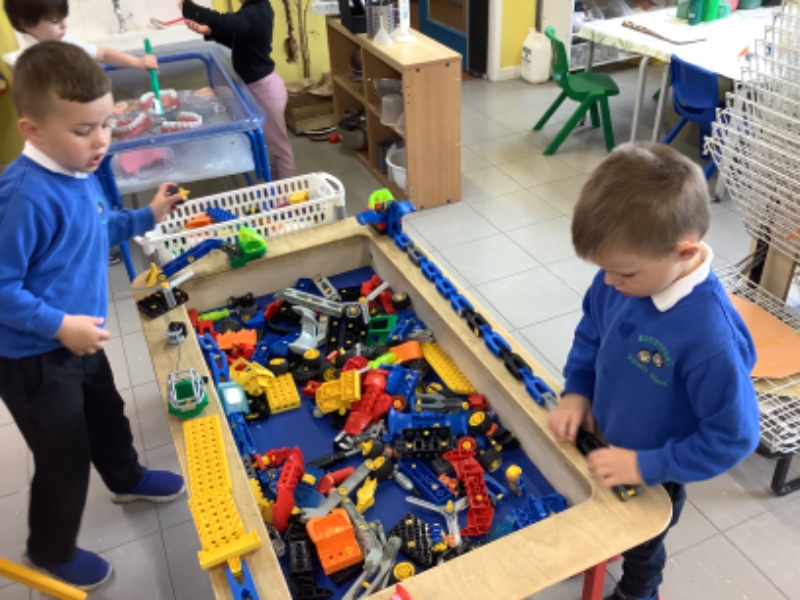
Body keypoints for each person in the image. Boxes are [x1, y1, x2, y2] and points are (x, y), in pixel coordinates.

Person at [0, 42, 186, 591]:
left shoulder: (78, 169)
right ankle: (49, 549)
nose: (101, 140)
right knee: (63, 455)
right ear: (32, 130)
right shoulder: (23, 197)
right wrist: (61, 326)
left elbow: (94, 230)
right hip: (34, 358)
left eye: (105, 124)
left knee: (107, 415)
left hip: (81, 338)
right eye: (84, 130)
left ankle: (126, 478)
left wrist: (147, 215)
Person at [547, 142, 760, 600]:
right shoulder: (624, 277)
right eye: (604, 270)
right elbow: (593, 329)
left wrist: (644, 465)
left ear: (683, 252)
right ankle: (598, 547)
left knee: (641, 548)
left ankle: (639, 593)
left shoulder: (710, 339)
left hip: (657, 469)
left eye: (623, 274)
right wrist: (578, 391)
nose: (609, 282)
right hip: (606, 434)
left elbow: (732, 437)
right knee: (601, 515)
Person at [179, 0, 297, 180]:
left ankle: (288, 193)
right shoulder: (252, 10)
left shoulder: (258, 10)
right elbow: (237, 40)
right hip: (259, 88)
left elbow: (224, 21)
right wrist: (210, 32)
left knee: (280, 149)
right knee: (272, 146)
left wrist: (190, 8)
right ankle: (276, 187)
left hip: (265, 90)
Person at [3, 0, 158, 71]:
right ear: (27, 24)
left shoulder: (65, 43)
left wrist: (137, 62)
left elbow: (103, 54)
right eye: (56, 21)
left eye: (64, 18)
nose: (65, 25)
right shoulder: (24, 63)